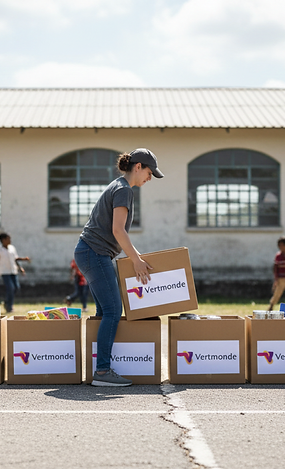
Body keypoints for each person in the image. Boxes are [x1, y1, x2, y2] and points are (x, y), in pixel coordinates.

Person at [75, 148, 163, 387]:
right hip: (95, 253)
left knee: (105, 313)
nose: (149, 178)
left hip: (90, 252)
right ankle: (102, 371)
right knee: (114, 311)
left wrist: (136, 255)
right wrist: (135, 260)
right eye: (149, 172)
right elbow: (118, 230)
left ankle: (99, 368)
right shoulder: (123, 190)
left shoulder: (118, 186)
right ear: (138, 167)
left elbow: (116, 233)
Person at [0, 233, 30, 313]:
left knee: (16, 287)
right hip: (5, 272)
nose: (10, 240)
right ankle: (9, 306)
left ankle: (6, 302)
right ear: (3, 240)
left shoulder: (12, 248)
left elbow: (15, 259)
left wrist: (21, 267)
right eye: (8, 239)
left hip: (13, 271)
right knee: (10, 288)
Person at [267, 236, 285, 310]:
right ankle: (271, 305)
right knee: (277, 293)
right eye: (279, 245)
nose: (280, 247)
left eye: (282, 245)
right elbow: (275, 268)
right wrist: (276, 279)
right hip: (281, 279)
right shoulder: (278, 256)